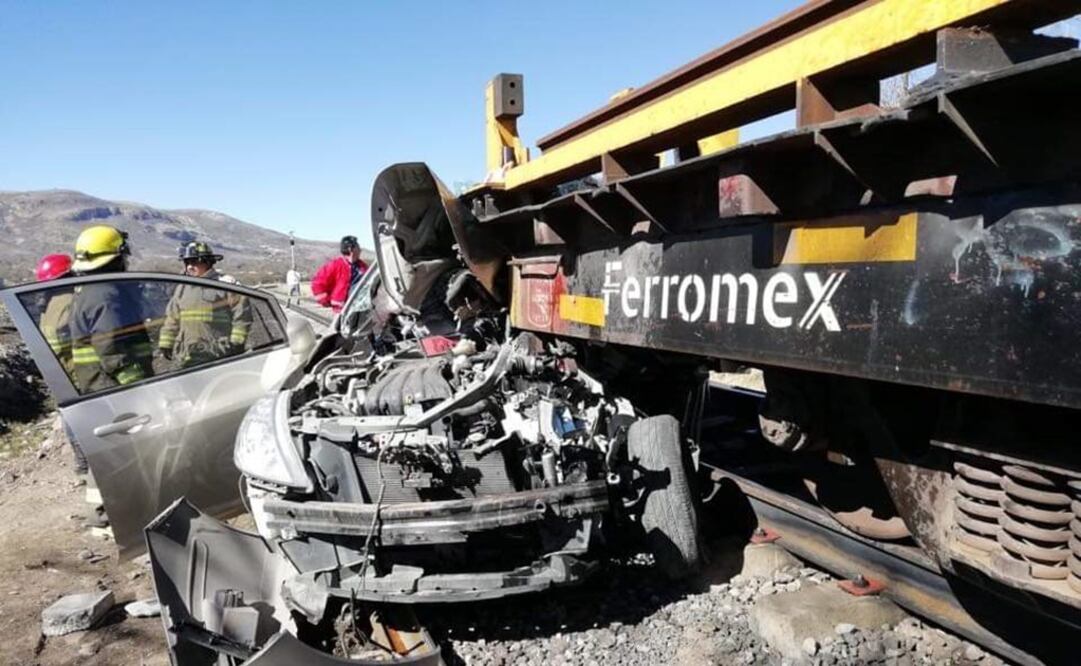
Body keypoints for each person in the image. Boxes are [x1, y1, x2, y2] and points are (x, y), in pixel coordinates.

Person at [68, 225, 154, 393]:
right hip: (115, 390)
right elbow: (112, 350)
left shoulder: (88, 290)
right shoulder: (106, 296)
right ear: (115, 260)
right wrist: (140, 388)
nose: (126, 262)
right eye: (123, 257)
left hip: (98, 386)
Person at [157, 241, 252, 367]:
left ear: (207, 262)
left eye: (194, 262)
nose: (190, 267)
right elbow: (172, 318)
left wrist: (237, 343)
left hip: (218, 353)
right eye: (187, 262)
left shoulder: (225, 283)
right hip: (186, 355)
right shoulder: (182, 287)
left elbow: (242, 315)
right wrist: (166, 343)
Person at [35, 253, 88, 475]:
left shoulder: (47, 308)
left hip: (60, 376)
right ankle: (88, 467)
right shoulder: (71, 301)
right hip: (78, 374)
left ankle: (82, 465)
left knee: (71, 419)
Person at [311, 235, 368, 313]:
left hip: (361, 308)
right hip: (342, 311)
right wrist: (326, 301)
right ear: (351, 249)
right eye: (358, 247)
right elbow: (317, 283)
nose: (360, 250)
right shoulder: (335, 265)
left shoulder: (363, 266)